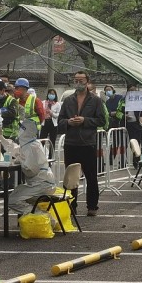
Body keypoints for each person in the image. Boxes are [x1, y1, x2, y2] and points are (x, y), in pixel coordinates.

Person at [57, 71, 106, 216]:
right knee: (71, 177)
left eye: (81, 80)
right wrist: (68, 122)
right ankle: (71, 205)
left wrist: (85, 120)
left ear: (87, 81)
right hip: (71, 143)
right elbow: (59, 122)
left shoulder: (95, 100)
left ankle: (92, 206)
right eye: (76, 80)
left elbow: (102, 121)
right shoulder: (68, 100)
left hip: (88, 143)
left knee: (91, 176)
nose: (78, 82)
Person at [3, 119, 56, 217]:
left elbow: (31, 171)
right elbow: (15, 149)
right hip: (45, 182)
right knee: (17, 192)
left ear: (25, 130)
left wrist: (21, 161)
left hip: (41, 184)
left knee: (12, 200)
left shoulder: (31, 146)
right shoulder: (33, 143)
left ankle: (42, 216)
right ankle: (38, 217)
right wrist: (1, 137)